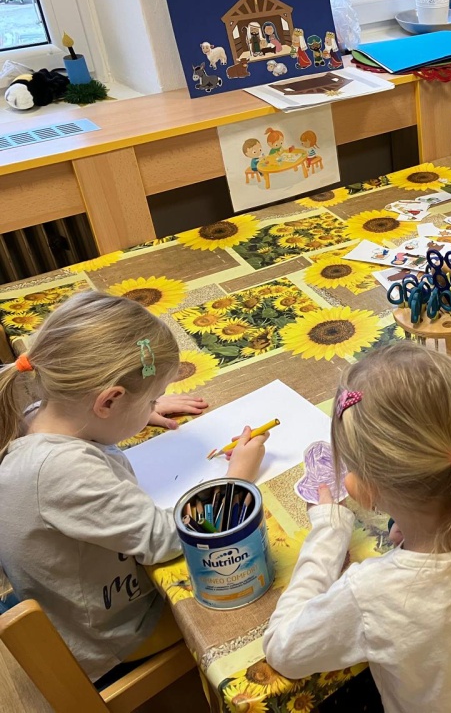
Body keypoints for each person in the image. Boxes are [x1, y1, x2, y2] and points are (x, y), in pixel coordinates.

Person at [263, 343, 451, 713]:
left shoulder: (372, 593)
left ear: (364, 490)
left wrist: (329, 529)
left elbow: (283, 649)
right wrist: (426, 527)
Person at [0, 292, 268, 681]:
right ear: (108, 401)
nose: (154, 405)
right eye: (152, 399)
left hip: (72, 607)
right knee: (252, 604)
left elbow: (91, 419)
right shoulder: (64, 471)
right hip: (113, 636)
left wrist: (139, 411)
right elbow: (164, 539)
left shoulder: (38, 411)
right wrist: (236, 480)